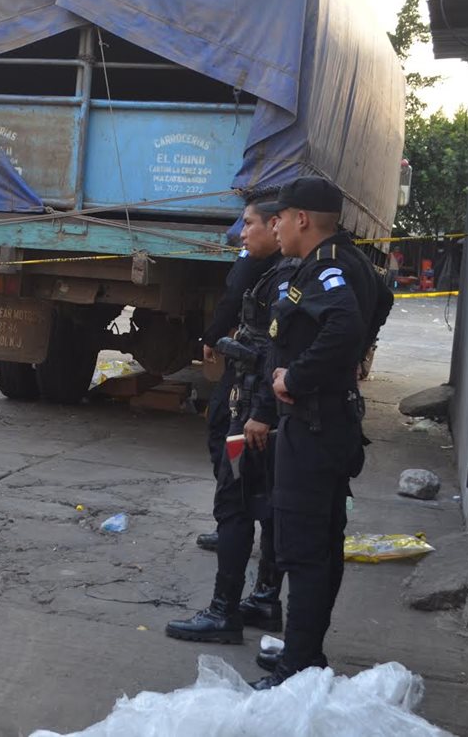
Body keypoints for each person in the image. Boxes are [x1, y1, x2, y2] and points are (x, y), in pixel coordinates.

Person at [250, 176, 392, 688]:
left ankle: (297, 667)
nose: (275, 226)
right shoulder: (345, 261)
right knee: (321, 545)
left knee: (304, 550)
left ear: (301, 219)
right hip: (327, 423)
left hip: (312, 425)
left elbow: (345, 326)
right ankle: (304, 652)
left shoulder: (327, 267)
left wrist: (299, 375)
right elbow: (383, 300)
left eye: (279, 218)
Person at [166, 196, 297, 643]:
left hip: (255, 412)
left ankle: (226, 611)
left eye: (250, 225)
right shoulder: (289, 272)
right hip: (257, 406)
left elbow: (278, 353)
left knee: (236, 501)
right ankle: (261, 598)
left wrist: (259, 409)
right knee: (257, 502)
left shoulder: (287, 278)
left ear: (284, 223)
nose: (243, 234)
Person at [195, 218, 278, 552]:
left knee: (229, 438)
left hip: (256, 373)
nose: (241, 233)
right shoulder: (284, 266)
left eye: (248, 224)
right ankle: (238, 520)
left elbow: (232, 299)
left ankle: (236, 521)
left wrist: (212, 336)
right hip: (255, 369)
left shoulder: (274, 267)